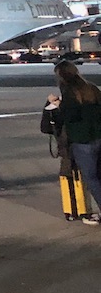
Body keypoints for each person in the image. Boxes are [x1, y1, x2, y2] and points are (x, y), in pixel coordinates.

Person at [48, 60, 101, 225]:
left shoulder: (70, 92)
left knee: (92, 178)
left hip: (82, 140)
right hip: (98, 136)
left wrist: (57, 104)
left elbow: (69, 116)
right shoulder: (91, 88)